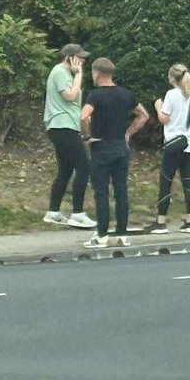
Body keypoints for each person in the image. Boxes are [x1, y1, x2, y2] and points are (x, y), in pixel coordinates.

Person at [80, 58, 149, 248]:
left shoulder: (95, 95)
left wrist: (87, 136)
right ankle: (122, 234)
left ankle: (101, 235)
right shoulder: (126, 94)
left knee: (101, 192)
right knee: (121, 191)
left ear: (96, 73)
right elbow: (144, 115)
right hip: (120, 147)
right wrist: (128, 133)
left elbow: (84, 116)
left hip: (101, 147)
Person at [42, 43, 96, 229]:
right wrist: (79, 74)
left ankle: (53, 212)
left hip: (67, 126)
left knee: (65, 169)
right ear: (69, 58)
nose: (82, 61)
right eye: (79, 58)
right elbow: (70, 96)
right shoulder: (59, 72)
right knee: (83, 166)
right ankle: (78, 213)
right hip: (61, 125)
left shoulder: (67, 74)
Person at [149, 63, 190, 235]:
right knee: (188, 180)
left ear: (172, 78)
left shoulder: (171, 95)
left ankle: (161, 221)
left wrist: (158, 106)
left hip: (174, 144)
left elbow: (164, 119)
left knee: (166, 180)